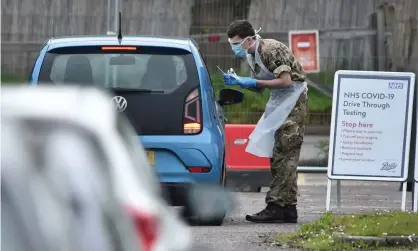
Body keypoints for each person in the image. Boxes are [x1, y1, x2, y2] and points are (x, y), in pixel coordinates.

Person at [223, 20, 308, 223]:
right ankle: (288, 208)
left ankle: (275, 206)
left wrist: (253, 81)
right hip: (279, 102)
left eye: (236, 44)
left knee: (285, 154)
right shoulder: (252, 56)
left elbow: (286, 81)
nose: (234, 48)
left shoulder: (271, 49)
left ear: (250, 39)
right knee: (279, 153)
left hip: (294, 102)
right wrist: (242, 82)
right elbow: (261, 87)